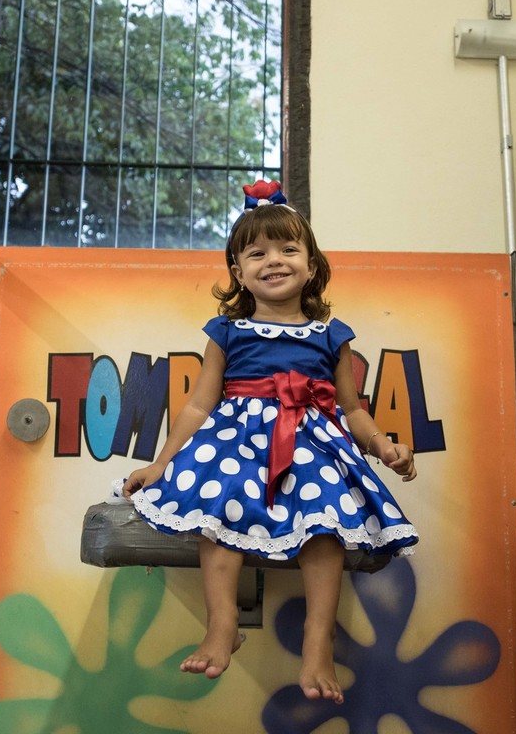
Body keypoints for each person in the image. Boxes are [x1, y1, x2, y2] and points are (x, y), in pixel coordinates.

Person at [120, 180, 418, 704]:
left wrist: (385, 447)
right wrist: (159, 464)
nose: (273, 260)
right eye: (256, 253)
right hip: (235, 446)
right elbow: (197, 406)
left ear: (311, 264)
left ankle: (317, 637)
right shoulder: (227, 331)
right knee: (218, 507)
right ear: (238, 271)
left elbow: (352, 409)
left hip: (313, 448)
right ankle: (222, 624)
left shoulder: (332, 334)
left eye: (287, 249)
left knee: (325, 522)